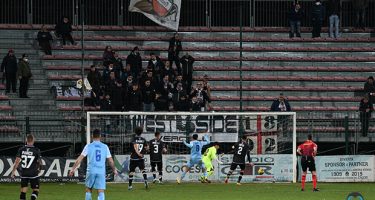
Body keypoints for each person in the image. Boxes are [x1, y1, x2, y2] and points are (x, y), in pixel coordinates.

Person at [69, 129, 117, 200]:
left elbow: (79, 159)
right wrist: (114, 170)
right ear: (100, 136)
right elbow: (110, 161)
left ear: (92, 136)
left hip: (91, 170)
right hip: (101, 171)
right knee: (101, 191)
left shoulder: (88, 146)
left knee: (88, 189)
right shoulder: (105, 147)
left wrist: (72, 169)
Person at [11, 134, 42, 200]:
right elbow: (40, 162)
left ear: (26, 140)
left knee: (23, 192)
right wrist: (40, 169)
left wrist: (13, 172)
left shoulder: (21, 149)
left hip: (24, 173)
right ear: (33, 140)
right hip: (33, 173)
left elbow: (16, 162)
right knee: (36, 190)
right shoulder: (36, 150)